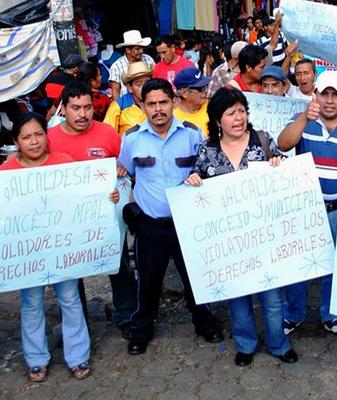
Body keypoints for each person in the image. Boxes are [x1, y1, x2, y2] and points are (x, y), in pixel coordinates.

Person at [184, 87, 298, 367]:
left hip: (264, 238)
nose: (238, 118)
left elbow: (284, 175)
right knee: (238, 301)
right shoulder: (207, 151)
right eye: (231, 113)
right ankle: (246, 344)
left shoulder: (262, 141)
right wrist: (193, 181)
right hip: (230, 245)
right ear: (216, 119)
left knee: (272, 300)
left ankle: (278, 344)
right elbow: (195, 185)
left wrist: (278, 164)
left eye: (242, 111)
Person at [0, 112, 116, 381]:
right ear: (16, 140)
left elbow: (86, 197)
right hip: (28, 255)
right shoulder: (6, 173)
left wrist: (107, 194)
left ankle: (78, 357)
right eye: (26, 137)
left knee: (70, 299)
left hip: (63, 251)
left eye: (39, 134)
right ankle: (36, 359)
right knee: (31, 303)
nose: (34, 141)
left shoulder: (64, 164)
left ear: (46, 135)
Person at [118, 78, 224, 355]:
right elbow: (127, 173)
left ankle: (205, 323)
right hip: (149, 226)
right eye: (150, 103)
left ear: (174, 102)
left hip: (186, 225)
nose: (157, 109)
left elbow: (202, 171)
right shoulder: (131, 139)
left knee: (196, 278)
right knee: (149, 284)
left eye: (163, 102)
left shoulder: (192, 135)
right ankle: (141, 330)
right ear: (141, 105)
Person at [278, 71, 337, 336]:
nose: (329, 100)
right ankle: (293, 313)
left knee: (335, 263)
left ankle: (331, 314)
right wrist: (303, 118)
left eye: (336, 94)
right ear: (314, 95)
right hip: (304, 208)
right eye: (324, 94)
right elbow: (284, 144)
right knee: (298, 263)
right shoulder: (302, 122)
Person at [47, 81, 137, 338]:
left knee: (119, 268)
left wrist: (122, 174)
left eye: (87, 107)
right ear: (63, 109)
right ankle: (77, 323)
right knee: (71, 276)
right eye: (76, 108)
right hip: (64, 224)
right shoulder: (49, 138)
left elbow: (125, 168)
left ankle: (127, 316)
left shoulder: (108, 134)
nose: (83, 114)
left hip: (106, 220)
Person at [103, 62, 152, 136]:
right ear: (130, 88)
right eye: (139, 84)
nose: (145, 87)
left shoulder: (159, 101)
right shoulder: (119, 105)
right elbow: (107, 135)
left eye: (147, 82)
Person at [109, 30, 155, 99]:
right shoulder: (116, 66)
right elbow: (115, 90)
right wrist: (119, 107)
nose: (141, 51)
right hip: (127, 105)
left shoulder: (148, 59)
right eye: (137, 48)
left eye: (142, 47)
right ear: (128, 50)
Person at [173, 67, 213, 137]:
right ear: (184, 93)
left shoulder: (213, 107)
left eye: (206, 86)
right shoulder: (172, 118)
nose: (206, 91)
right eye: (201, 88)